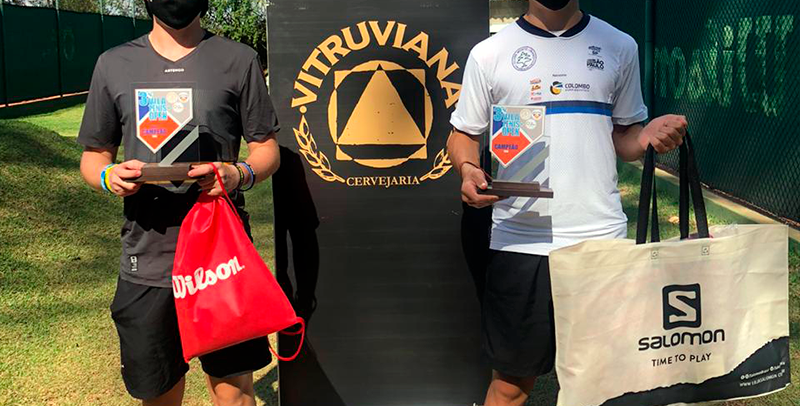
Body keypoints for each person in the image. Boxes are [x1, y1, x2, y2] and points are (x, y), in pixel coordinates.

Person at [447, 1, 687, 405]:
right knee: (509, 387)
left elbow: (626, 136)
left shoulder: (619, 45)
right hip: (519, 241)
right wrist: (469, 169)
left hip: (599, 239)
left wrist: (645, 137)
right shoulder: (490, 53)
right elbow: (463, 134)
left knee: (603, 385)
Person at [77, 0, 280, 405]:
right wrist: (108, 176)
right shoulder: (113, 64)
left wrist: (238, 173)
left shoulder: (238, 59)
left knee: (235, 395)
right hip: (147, 258)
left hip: (221, 260)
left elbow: (266, 149)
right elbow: (93, 156)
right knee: (158, 396)